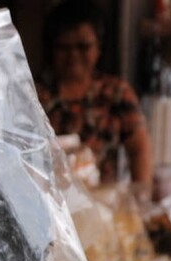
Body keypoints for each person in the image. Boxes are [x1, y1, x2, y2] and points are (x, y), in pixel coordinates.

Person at [37, 0, 153, 188]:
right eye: (64, 47)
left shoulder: (115, 93)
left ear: (98, 47)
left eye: (83, 46)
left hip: (104, 201)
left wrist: (141, 194)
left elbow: (139, 148)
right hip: (49, 201)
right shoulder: (35, 95)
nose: (73, 55)